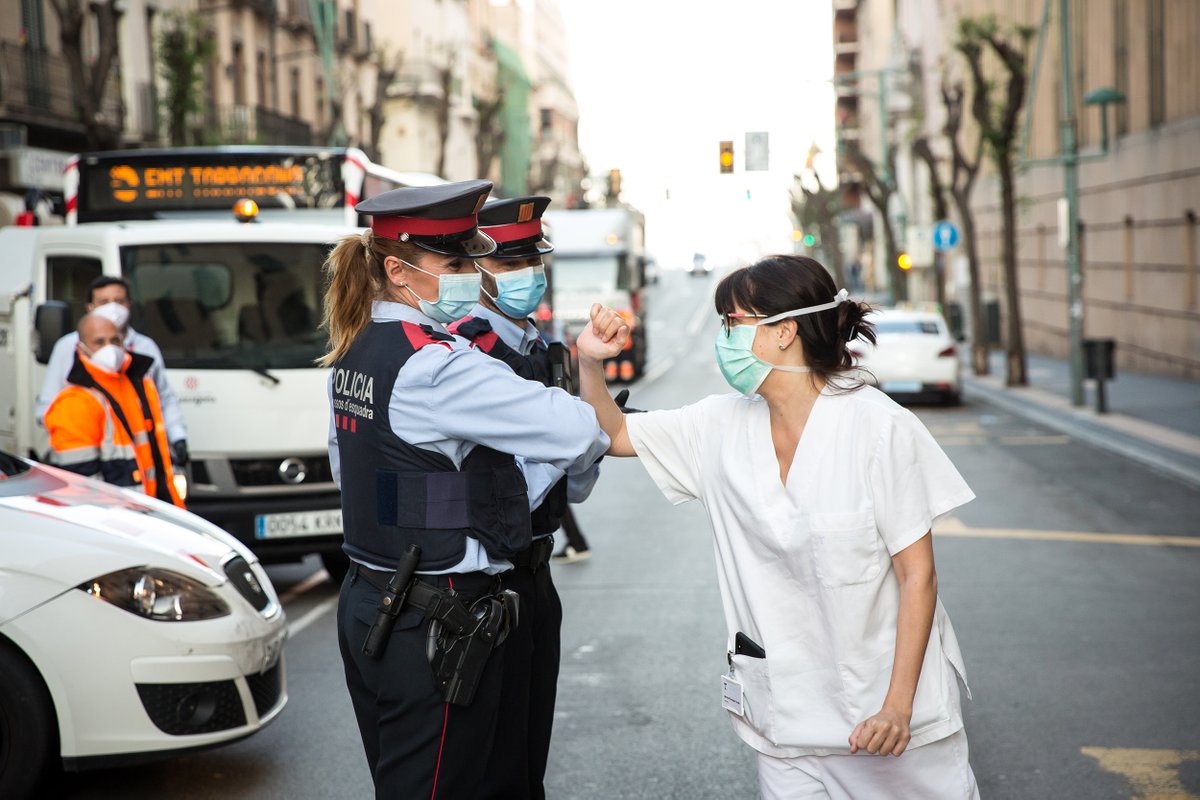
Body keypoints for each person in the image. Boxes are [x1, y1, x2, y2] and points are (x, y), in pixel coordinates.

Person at [574, 255, 979, 799]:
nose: (724, 339)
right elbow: (615, 435)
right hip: (785, 723)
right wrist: (590, 362)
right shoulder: (718, 424)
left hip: (885, 726)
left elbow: (918, 577)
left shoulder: (878, 428)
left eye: (733, 324)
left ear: (785, 330)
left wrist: (897, 706)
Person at [322, 180, 608, 799]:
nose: (467, 276)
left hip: (374, 596)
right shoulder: (437, 363)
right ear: (398, 270)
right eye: (453, 263)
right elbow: (578, 430)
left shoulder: (359, 349)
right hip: (439, 611)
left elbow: (354, 475)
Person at [446, 195, 602, 797]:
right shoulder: (469, 349)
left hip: (535, 571)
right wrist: (580, 444)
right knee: (493, 761)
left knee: (528, 755)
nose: (527, 273)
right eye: (509, 261)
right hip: (489, 576)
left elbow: (574, 478)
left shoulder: (540, 346)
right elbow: (525, 465)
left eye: (533, 258)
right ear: (478, 269)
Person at [36, 276, 190, 471]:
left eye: (119, 301)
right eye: (104, 302)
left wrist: (177, 437)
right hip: (91, 456)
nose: (113, 308)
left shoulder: (145, 349)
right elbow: (47, 407)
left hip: (137, 464)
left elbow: (164, 398)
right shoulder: (67, 348)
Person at [44, 312, 184, 508]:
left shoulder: (140, 385)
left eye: (115, 340)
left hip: (151, 509)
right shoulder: (75, 402)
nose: (109, 348)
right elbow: (82, 484)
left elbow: (157, 460)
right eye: (99, 342)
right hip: (116, 518)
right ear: (81, 348)